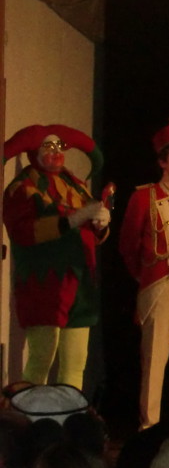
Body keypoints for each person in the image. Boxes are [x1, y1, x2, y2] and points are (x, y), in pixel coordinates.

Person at [2, 124, 110, 390]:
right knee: (41, 358)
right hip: (44, 285)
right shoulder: (22, 187)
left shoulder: (77, 185)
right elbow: (23, 232)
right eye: (48, 147)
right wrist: (70, 221)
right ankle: (28, 412)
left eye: (60, 147)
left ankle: (69, 412)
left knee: (75, 363)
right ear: (34, 153)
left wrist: (101, 224)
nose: (56, 152)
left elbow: (92, 232)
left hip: (80, 284)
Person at [119, 116, 169, 429]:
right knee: (154, 361)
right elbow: (128, 246)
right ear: (162, 162)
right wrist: (146, 280)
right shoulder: (144, 196)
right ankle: (149, 426)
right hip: (159, 285)